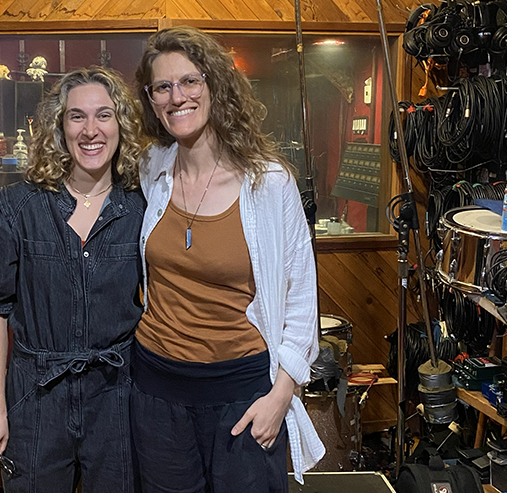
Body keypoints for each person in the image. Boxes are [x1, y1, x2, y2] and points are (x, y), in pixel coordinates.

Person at [131, 26, 325, 492]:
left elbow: (302, 297)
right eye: (163, 86)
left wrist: (282, 394)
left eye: (190, 81)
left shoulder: (269, 183)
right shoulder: (150, 168)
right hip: (157, 389)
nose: (177, 96)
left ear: (214, 84)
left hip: (242, 393)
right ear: (152, 99)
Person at [0, 67, 146, 492]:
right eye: (77, 116)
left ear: (121, 125)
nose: (91, 130)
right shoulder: (15, 208)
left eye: (104, 115)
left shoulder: (144, 208)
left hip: (118, 395)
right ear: (59, 126)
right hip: (36, 396)